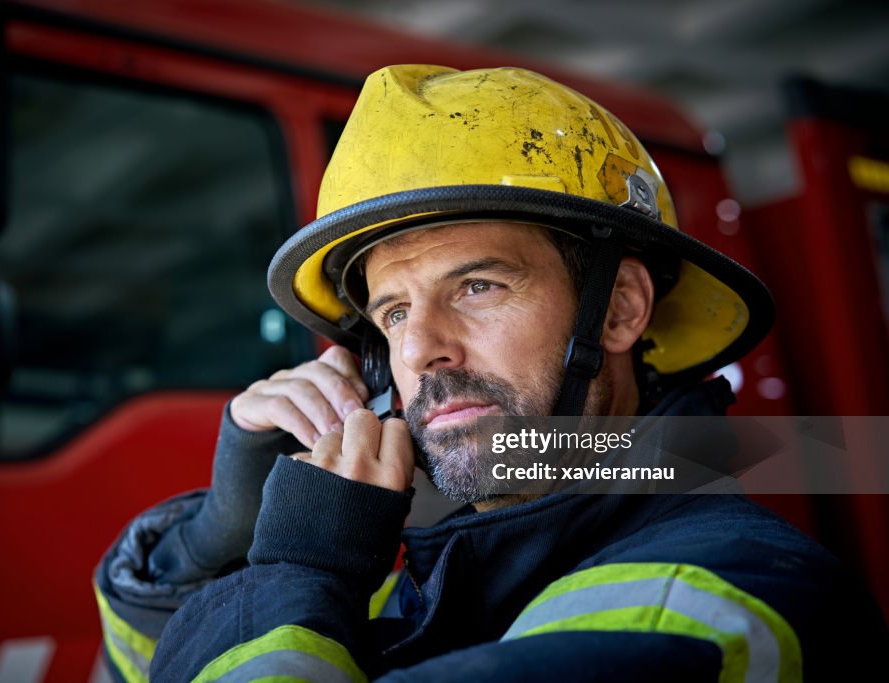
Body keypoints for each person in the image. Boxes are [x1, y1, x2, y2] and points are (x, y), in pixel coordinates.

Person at [94, 65, 887, 682]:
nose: (419, 352)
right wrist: (210, 549)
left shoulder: (702, 601)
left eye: (477, 286)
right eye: (394, 313)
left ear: (617, 311)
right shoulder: (403, 562)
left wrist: (290, 574)